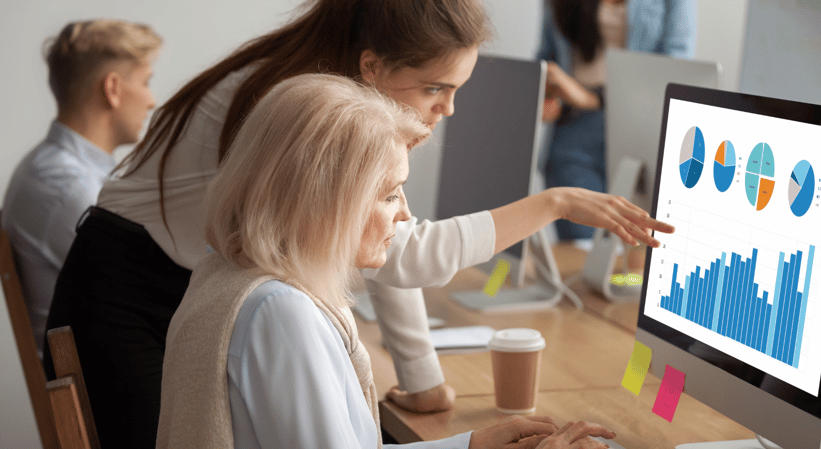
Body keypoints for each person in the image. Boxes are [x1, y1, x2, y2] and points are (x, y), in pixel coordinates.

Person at [45, 1, 673, 447]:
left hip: (176, 280)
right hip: (127, 290)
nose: (447, 110)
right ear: (372, 68)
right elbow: (397, 248)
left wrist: (434, 395)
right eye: (435, 88)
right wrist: (554, 203)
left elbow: (371, 239)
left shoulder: (321, 99)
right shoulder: (303, 114)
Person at [158, 72, 620, 449]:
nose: (405, 213)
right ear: (322, 203)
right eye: (387, 194)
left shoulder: (230, 275)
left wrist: (470, 446)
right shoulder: (282, 314)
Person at [1, 19, 160, 357]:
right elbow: (151, 294)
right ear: (112, 89)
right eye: (146, 82)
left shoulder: (55, 171)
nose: (152, 101)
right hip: (103, 388)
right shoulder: (69, 189)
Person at [538, 0, 696, 239]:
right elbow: (546, 55)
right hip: (574, 132)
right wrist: (544, 95)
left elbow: (675, 67)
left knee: (632, 254)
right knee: (582, 247)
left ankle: (625, 281)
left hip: (638, 127)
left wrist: (593, 99)